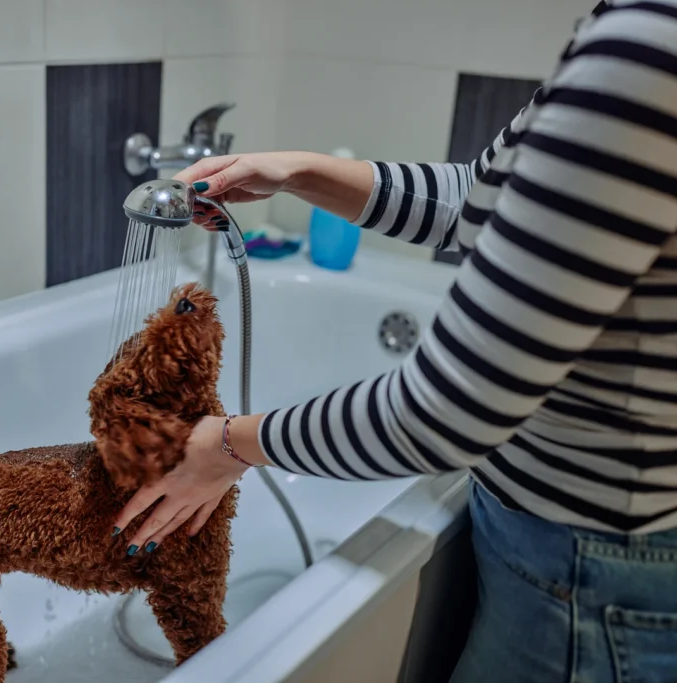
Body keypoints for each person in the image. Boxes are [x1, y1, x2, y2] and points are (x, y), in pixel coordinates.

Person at [112, 1, 677, 680]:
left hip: (590, 572)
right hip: (580, 548)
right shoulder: (635, 28)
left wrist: (227, 444)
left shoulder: (650, 42)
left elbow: (449, 411)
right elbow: (488, 202)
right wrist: (300, 171)